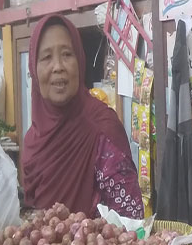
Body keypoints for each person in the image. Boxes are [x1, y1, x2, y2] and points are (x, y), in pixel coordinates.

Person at [22, 15, 143, 219]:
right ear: (34, 70)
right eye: (46, 57)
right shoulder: (33, 141)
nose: (58, 66)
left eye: (67, 54)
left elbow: (130, 221)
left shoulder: (103, 129)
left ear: (80, 61)